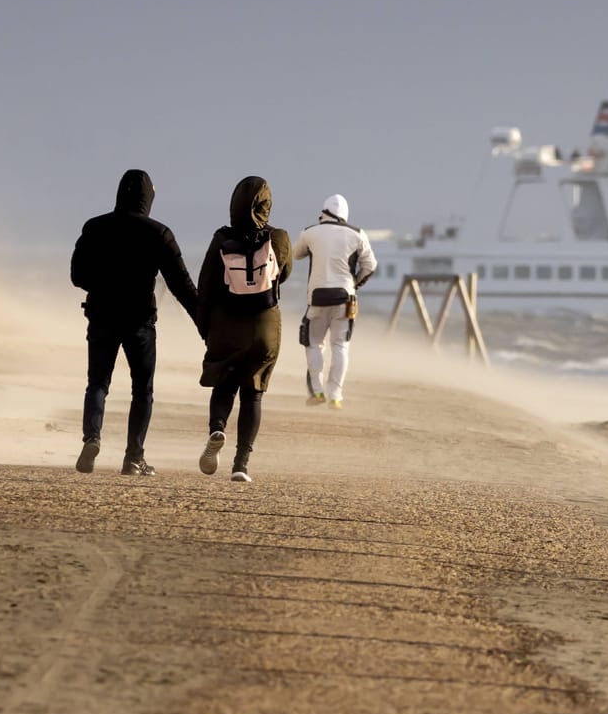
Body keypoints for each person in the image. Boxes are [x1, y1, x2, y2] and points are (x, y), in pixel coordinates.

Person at [69, 169, 200, 476]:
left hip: (101, 314)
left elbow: (77, 276)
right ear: (148, 198)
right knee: (142, 389)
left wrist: (103, 285)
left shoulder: (94, 227)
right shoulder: (159, 233)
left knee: (98, 382)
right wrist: (204, 322)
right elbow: (181, 286)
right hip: (140, 320)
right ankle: (133, 458)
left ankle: (92, 437)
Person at [195, 176, 292, 482]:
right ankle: (241, 464)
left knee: (226, 382)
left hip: (227, 323)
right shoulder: (278, 237)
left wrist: (206, 327)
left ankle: (217, 429)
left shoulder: (222, 238)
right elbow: (283, 275)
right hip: (265, 325)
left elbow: (206, 286)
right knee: (253, 394)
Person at [296, 193, 378, 409]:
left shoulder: (309, 232)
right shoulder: (358, 234)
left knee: (313, 343)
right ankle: (335, 396)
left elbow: (296, 255)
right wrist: (354, 284)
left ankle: (317, 390)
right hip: (345, 298)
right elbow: (370, 266)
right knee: (340, 346)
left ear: (323, 212)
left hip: (317, 298)